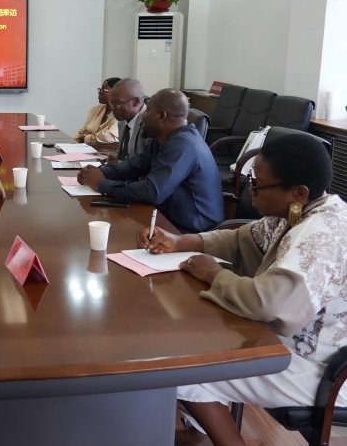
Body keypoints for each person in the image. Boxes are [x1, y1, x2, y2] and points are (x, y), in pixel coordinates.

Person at [137, 134, 347, 446]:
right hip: (294, 347)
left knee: (183, 369)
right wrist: (179, 241)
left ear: (298, 192)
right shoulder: (300, 210)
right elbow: (240, 239)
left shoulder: (320, 235)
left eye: (258, 184)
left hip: (323, 370)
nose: (250, 189)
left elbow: (269, 305)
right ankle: (202, 422)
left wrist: (214, 274)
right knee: (189, 346)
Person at [78, 89, 223, 233]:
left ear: (161, 116)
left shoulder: (184, 145)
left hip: (192, 231)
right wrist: (97, 173)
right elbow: (133, 166)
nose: (143, 114)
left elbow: (153, 192)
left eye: (147, 110)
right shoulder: (161, 139)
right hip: (167, 217)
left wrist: (102, 184)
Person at [106, 78, 148, 165]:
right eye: (111, 103)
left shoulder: (149, 123)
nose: (112, 108)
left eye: (118, 104)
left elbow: (146, 163)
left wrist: (119, 163)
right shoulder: (122, 120)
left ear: (136, 102)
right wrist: (113, 156)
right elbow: (126, 151)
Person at [72, 77, 121, 144]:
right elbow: (82, 132)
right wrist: (71, 141)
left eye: (104, 89)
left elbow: (108, 137)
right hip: (87, 146)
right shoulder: (96, 109)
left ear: (115, 92)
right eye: (100, 89)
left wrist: (85, 138)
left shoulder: (120, 113)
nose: (100, 92)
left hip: (104, 148)